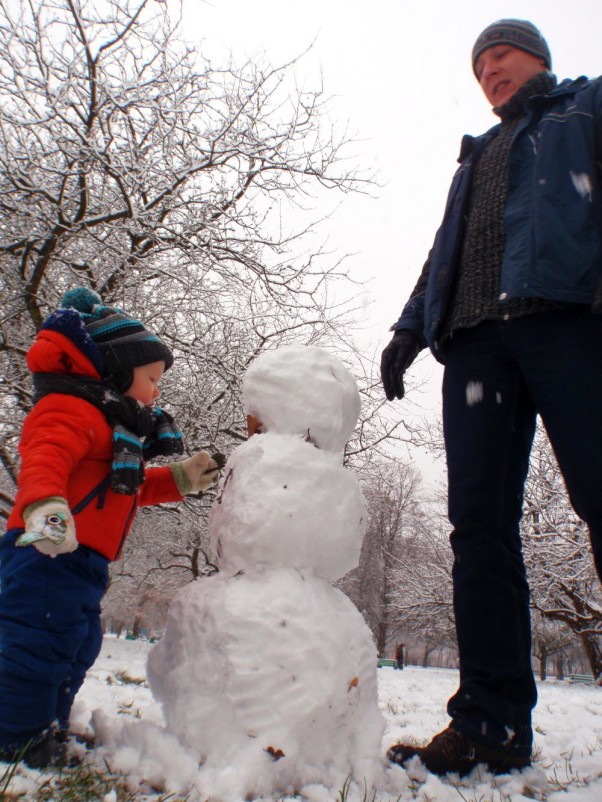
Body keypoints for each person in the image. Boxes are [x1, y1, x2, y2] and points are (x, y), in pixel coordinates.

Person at [380, 19, 602, 777]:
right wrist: (409, 331)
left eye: (500, 54)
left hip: (567, 321)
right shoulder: (472, 160)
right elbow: (442, 256)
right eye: (478, 64)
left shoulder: (584, 110)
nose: (489, 70)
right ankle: (491, 724)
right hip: (475, 343)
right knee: (477, 529)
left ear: (537, 56)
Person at [0, 287, 220, 769]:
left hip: (82, 561)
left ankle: (47, 724)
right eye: (152, 378)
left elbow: (128, 487)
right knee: (37, 640)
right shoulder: (70, 410)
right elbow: (46, 458)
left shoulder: (113, 431)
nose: (157, 390)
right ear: (118, 373)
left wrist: (181, 477)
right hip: (45, 549)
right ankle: (16, 735)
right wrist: (47, 510)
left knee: (74, 643)